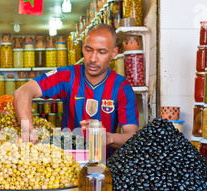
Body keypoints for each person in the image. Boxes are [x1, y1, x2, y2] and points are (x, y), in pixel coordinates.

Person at [13, 23, 139, 151]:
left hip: (105, 165)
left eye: (102, 52)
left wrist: (108, 138)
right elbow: (22, 92)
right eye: (89, 50)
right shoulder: (67, 76)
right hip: (66, 163)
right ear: (83, 48)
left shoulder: (122, 88)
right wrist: (27, 129)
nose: (93, 58)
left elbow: (132, 136)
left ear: (113, 53)